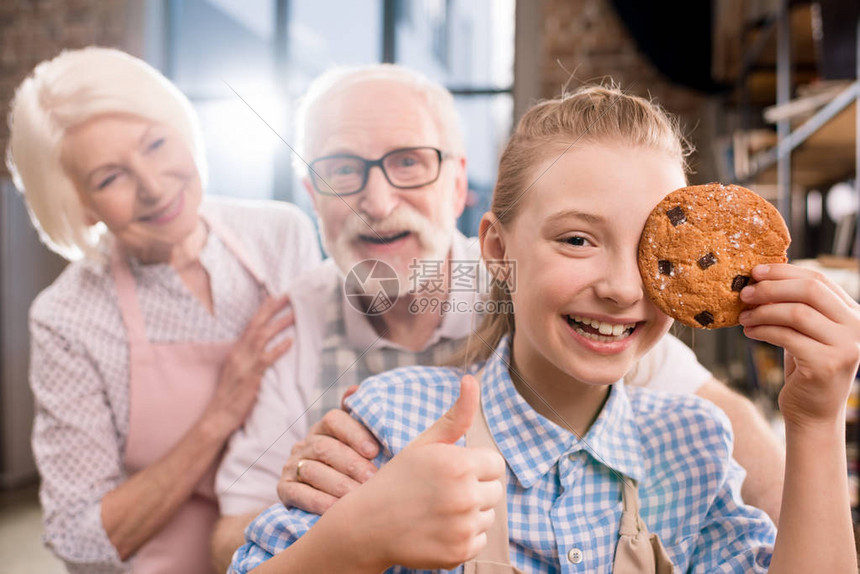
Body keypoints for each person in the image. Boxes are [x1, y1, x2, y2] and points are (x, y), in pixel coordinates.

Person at [229, 84, 860, 574]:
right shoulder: (392, 421)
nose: (620, 287)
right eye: (577, 239)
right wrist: (358, 536)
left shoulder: (693, 446)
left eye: (652, 252)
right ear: (498, 253)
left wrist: (815, 421)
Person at [6, 47, 321, 573]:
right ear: (80, 204)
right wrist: (220, 414)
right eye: (110, 178)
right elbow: (80, 540)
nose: (153, 185)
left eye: (155, 144)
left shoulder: (279, 235)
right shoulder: (68, 319)